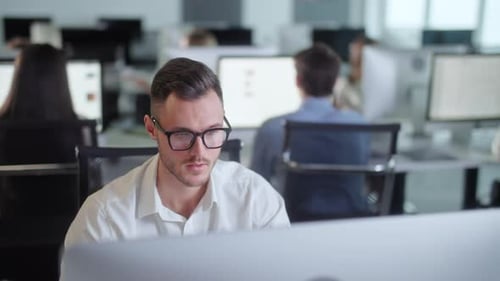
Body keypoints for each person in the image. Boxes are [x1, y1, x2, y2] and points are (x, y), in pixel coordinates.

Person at [64, 57, 290, 248]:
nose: (199, 152)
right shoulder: (104, 218)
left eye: (212, 132)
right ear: (152, 128)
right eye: (183, 135)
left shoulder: (257, 200)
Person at [250, 43, 368, 219]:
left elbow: (255, 184)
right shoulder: (358, 124)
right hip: (350, 224)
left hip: (292, 225)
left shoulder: (274, 128)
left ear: (297, 80)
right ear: (336, 82)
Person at [333, 35, 377, 112]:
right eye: (352, 50)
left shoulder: (377, 85)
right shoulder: (341, 83)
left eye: (359, 50)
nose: (353, 53)